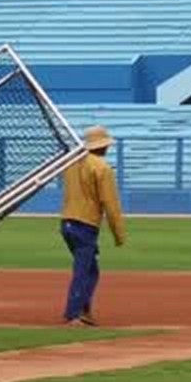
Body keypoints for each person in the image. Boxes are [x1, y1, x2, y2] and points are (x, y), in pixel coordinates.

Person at [60, 124, 126, 326]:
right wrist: (118, 233)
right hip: (85, 224)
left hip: (67, 221)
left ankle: (84, 311)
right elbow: (110, 203)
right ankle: (74, 313)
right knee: (84, 270)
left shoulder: (71, 164)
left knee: (89, 270)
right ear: (102, 146)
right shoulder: (102, 168)